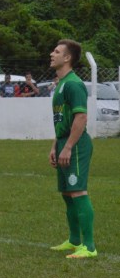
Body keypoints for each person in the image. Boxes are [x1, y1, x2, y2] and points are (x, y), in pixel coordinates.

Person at [47, 39, 97, 259]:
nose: (51, 54)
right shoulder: (61, 84)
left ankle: (89, 246)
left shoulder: (74, 84)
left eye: (56, 52)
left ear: (67, 58)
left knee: (78, 191)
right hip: (64, 143)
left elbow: (81, 117)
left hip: (76, 146)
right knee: (67, 194)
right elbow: (62, 120)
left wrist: (68, 147)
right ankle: (74, 240)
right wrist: (55, 146)